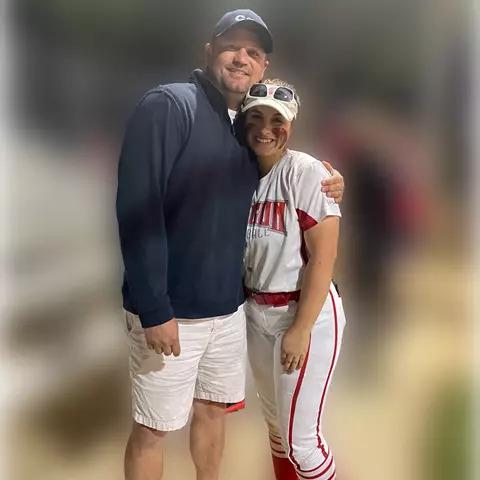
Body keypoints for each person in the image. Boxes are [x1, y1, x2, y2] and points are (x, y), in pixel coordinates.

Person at [116, 10, 344, 480]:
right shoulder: (169, 106)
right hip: (171, 313)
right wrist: (154, 308)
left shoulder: (243, 131)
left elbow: (282, 161)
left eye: (254, 52)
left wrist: (330, 179)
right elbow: (137, 213)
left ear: (263, 68)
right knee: (154, 429)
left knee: (212, 414)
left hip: (228, 312)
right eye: (231, 46)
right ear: (209, 50)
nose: (241, 58)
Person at [238, 79, 346, 480]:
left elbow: (324, 258)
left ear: (291, 125)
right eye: (256, 118)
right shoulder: (240, 175)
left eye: (276, 120)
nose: (266, 128)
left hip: (303, 313)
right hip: (257, 314)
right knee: (278, 434)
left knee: (303, 445)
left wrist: (300, 329)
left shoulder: (304, 172)